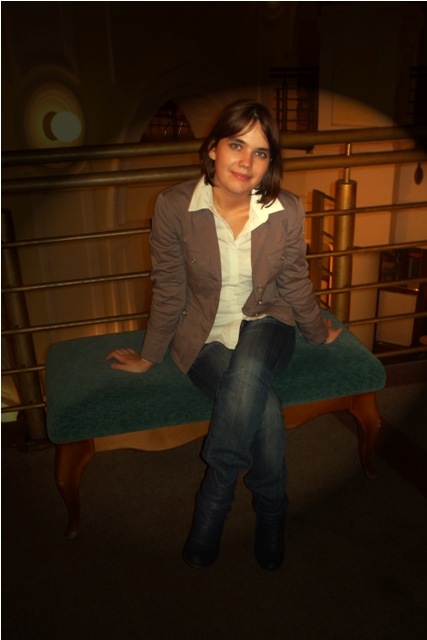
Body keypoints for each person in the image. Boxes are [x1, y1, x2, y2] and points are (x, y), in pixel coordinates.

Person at [107, 99, 342, 571]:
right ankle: (272, 512)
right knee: (265, 409)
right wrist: (151, 355)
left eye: (260, 152)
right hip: (203, 335)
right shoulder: (175, 206)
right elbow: (169, 288)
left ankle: (214, 500)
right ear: (213, 148)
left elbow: (295, 282)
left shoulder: (285, 210)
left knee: (251, 364)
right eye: (237, 145)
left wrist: (317, 332)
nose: (247, 161)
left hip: (268, 321)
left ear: (270, 162)